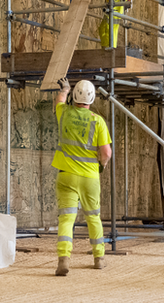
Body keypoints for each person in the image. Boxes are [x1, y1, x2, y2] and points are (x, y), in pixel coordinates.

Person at [52, 78, 112, 276]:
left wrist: (65, 89)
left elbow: (59, 99)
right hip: (89, 178)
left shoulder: (64, 113)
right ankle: (99, 258)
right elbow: (106, 153)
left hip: (66, 176)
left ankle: (63, 260)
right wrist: (101, 165)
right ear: (92, 98)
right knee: (93, 217)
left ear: (75, 96)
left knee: (66, 219)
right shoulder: (98, 121)